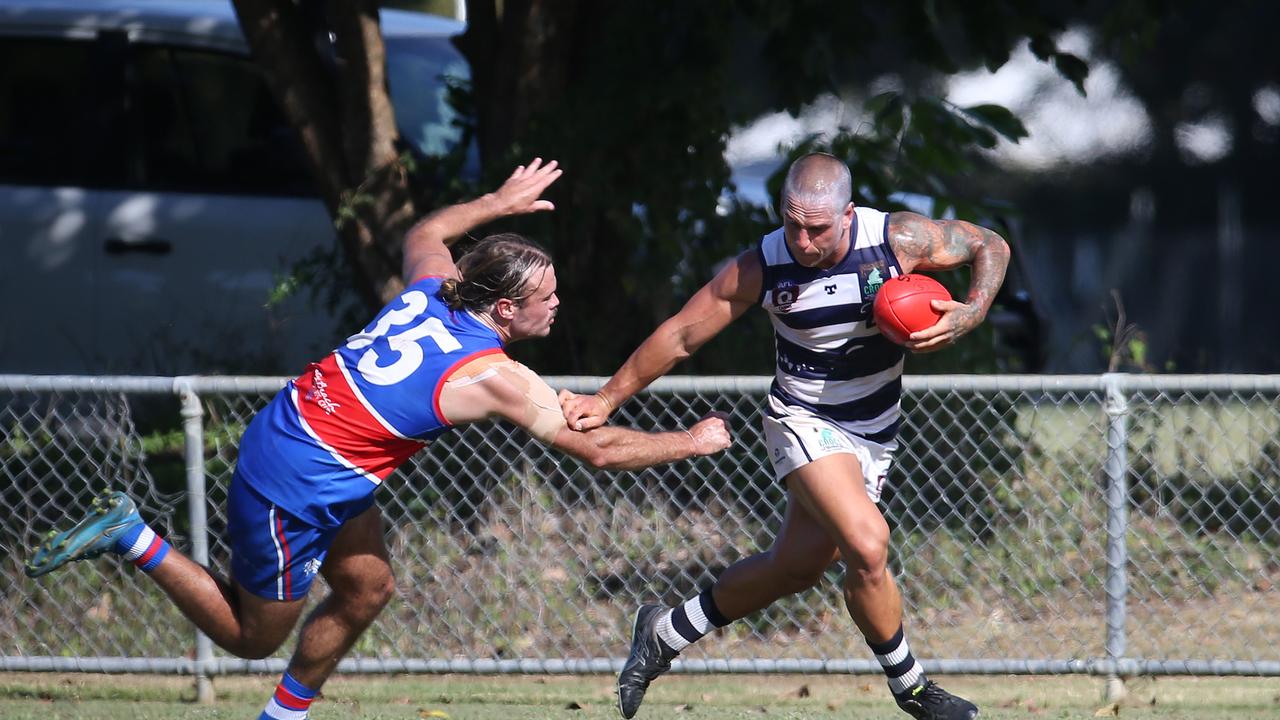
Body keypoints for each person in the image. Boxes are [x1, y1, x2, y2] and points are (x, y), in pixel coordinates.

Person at [25, 159, 733, 720]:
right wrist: (692, 441)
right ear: (508, 308)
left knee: (367, 587)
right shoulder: (493, 373)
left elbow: (423, 233)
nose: (558, 305)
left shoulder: (435, 288)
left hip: (319, 448)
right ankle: (131, 535)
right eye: (548, 298)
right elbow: (599, 450)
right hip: (295, 481)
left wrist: (495, 203)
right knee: (252, 637)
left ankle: (283, 717)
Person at [561, 152, 1010, 720]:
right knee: (868, 544)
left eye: (817, 227)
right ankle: (914, 690)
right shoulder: (763, 266)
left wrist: (971, 311)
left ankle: (664, 632)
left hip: (874, 429)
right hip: (802, 419)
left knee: (795, 567)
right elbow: (679, 336)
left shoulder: (899, 238)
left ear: (847, 213)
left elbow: (989, 244)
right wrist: (605, 399)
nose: (803, 238)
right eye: (792, 222)